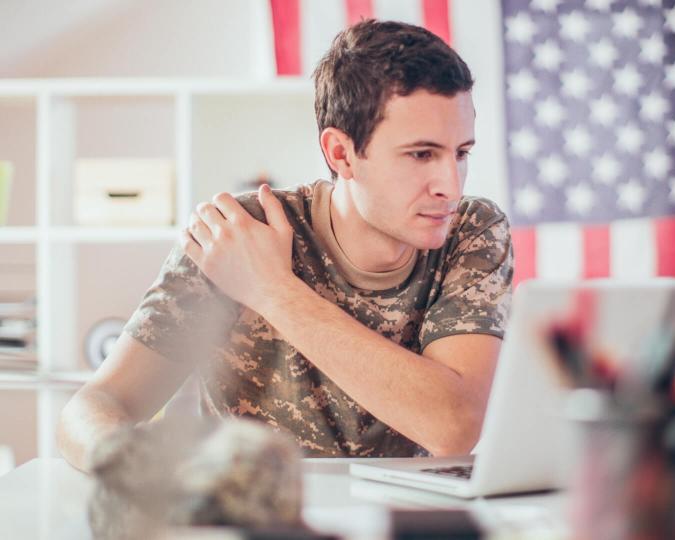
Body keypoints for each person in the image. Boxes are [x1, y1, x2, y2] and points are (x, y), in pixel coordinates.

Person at [57, 19, 514, 471]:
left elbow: (453, 426)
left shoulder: (471, 230)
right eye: (421, 154)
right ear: (341, 153)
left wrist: (272, 290)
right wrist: (129, 465)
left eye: (462, 153)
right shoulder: (239, 234)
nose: (450, 186)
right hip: (252, 517)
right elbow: (96, 404)